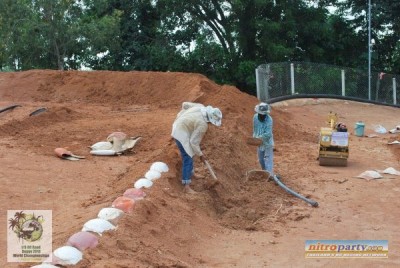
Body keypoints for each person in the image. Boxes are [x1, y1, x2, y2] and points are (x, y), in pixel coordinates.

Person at [171, 102, 222, 193]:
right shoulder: (203, 125)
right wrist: (201, 155)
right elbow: (193, 142)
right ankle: (186, 186)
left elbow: (184, 104)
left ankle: (192, 173)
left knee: (191, 151)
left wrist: (182, 116)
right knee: (188, 158)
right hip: (180, 133)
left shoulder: (200, 107)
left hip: (177, 125)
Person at [253, 102, 274, 176]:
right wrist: (254, 138)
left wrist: (259, 138)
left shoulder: (269, 120)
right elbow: (255, 129)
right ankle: (265, 173)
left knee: (268, 159)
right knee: (261, 160)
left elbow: (268, 134)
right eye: (260, 114)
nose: (261, 116)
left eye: (263, 115)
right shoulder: (255, 117)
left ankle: (270, 175)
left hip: (267, 142)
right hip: (259, 143)